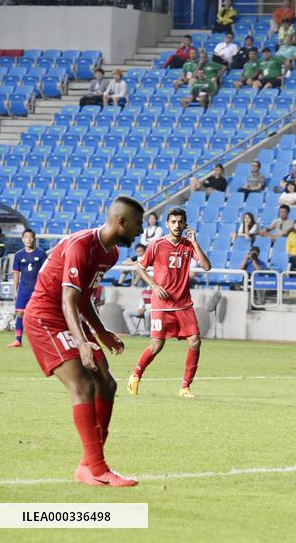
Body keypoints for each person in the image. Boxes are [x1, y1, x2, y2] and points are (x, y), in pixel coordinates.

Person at [22, 196, 145, 487]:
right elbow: (68, 299)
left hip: (70, 315)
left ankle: (87, 465)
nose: (140, 231)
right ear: (121, 222)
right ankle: (99, 469)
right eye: (138, 224)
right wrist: (81, 344)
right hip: (45, 318)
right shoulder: (80, 245)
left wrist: (101, 333)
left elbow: (84, 296)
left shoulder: (110, 253)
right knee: (84, 385)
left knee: (108, 384)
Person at [127, 208, 211, 398]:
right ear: (167, 224)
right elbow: (140, 268)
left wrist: (195, 242)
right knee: (156, 346)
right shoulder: (156, 245)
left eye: (180, 222)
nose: (177, 225)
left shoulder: (189, 245)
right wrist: (154, 286)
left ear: (185, 224)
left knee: (195, 342)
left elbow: (206, 266)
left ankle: (185, 387)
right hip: (162, 304)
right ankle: (136, 375)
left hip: (183, 303)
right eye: (173, 222)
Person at [7, 229, 47, 348]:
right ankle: (18, 340)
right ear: (22, 239)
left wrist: (44, 288)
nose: (28, 239)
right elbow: (16, 273)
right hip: (24, 289)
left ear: (34, 238)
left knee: (40, 314)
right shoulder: (19, 255)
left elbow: (45, 272)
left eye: (31, 237)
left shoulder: (41, 253)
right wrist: (15, 290)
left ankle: (43, 340)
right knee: (20, 312)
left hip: (38, 289)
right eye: (26, 237)